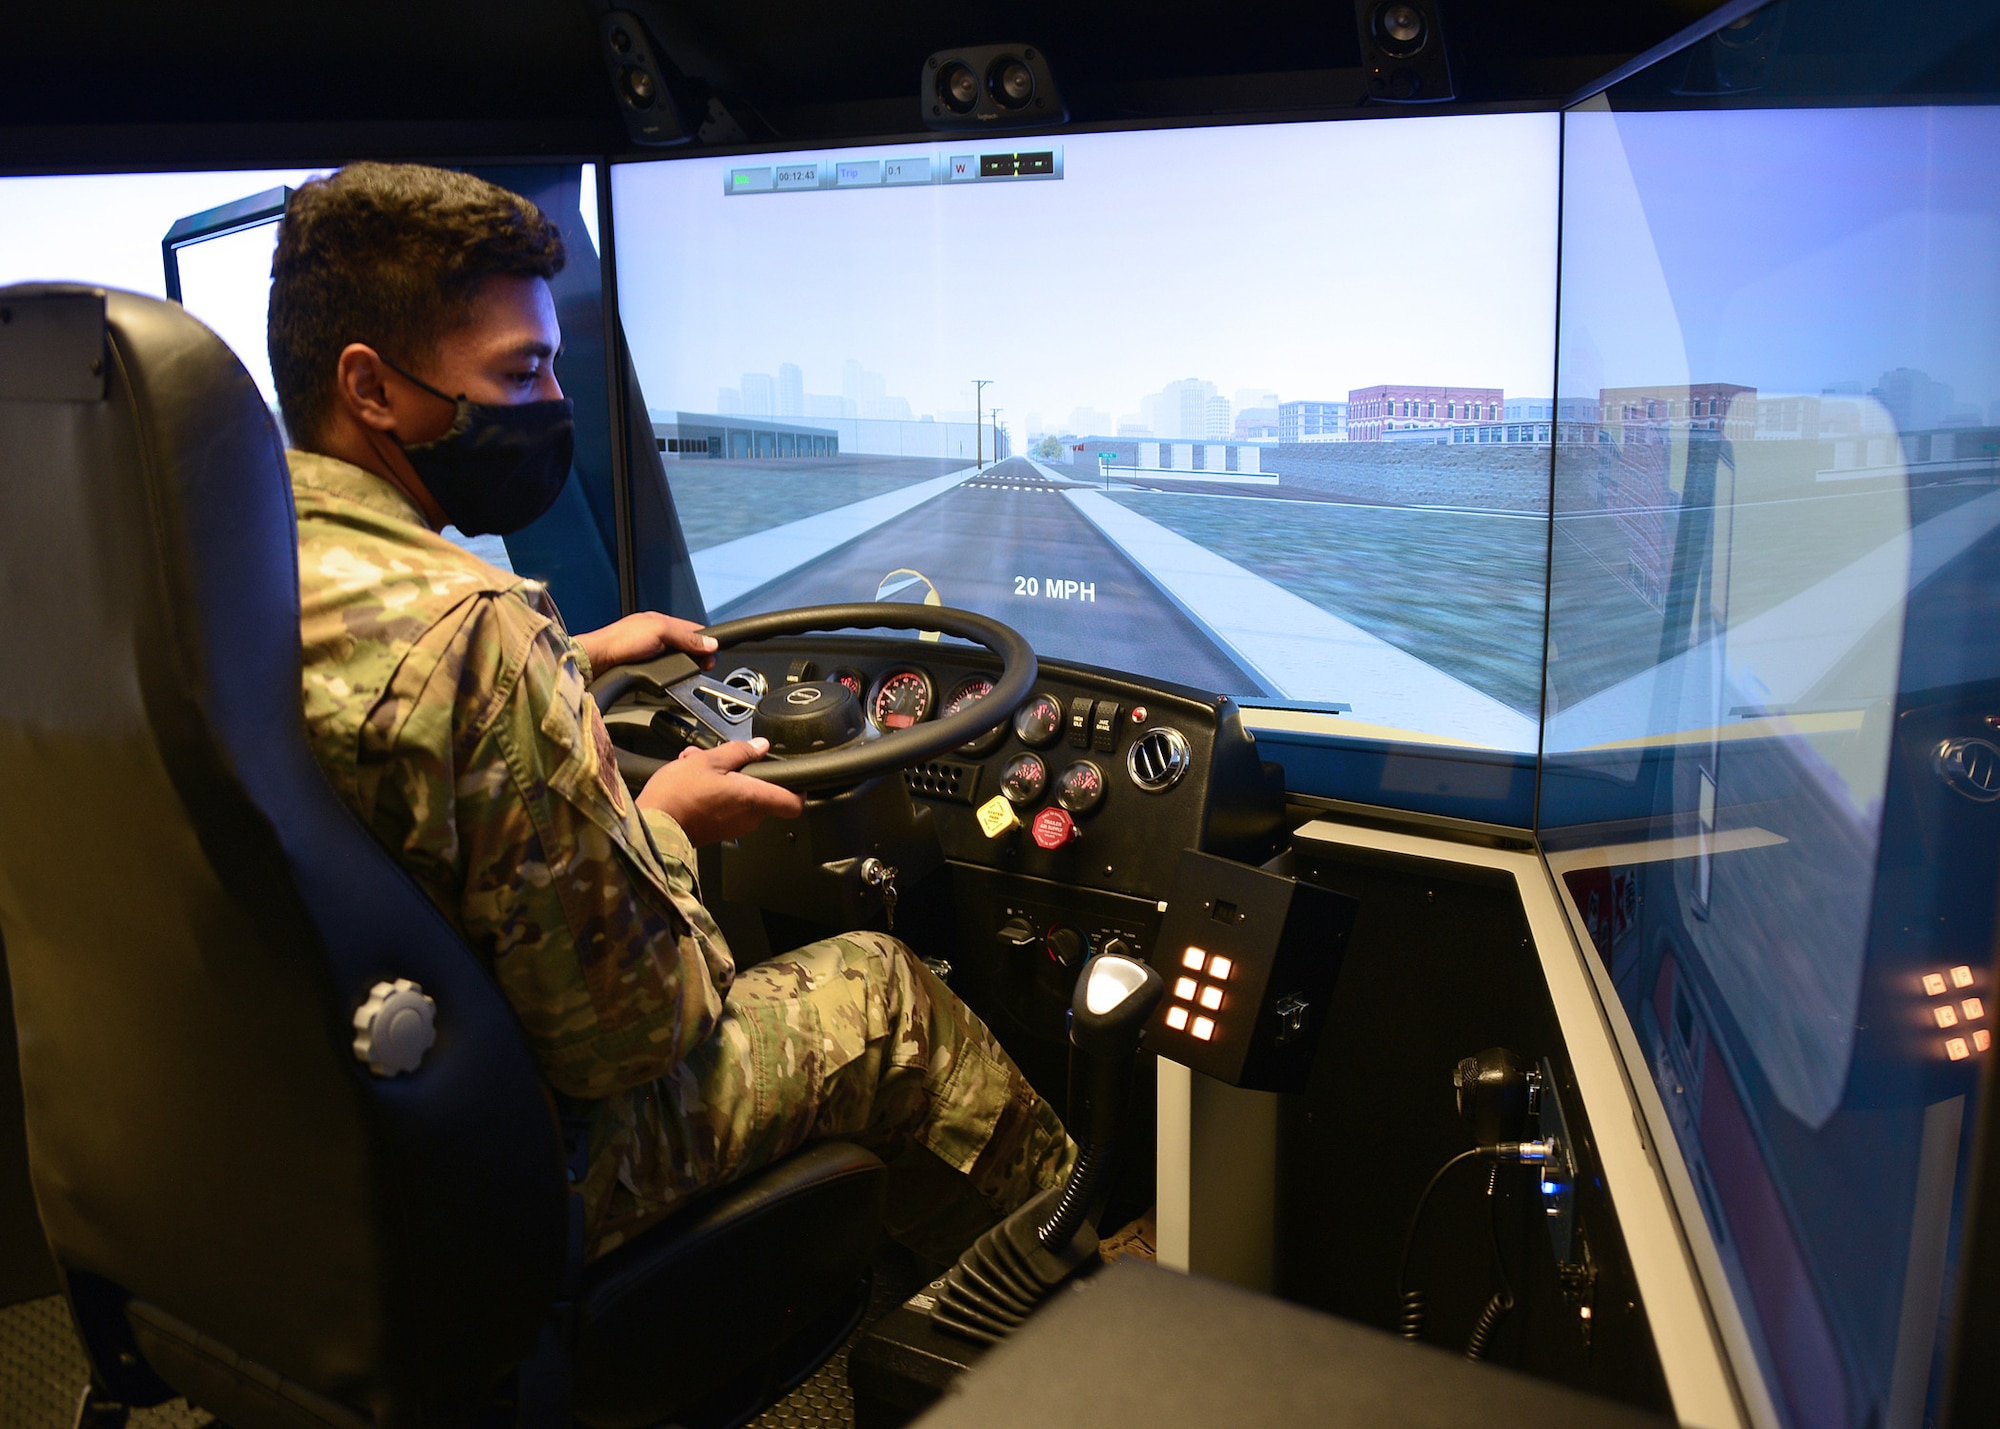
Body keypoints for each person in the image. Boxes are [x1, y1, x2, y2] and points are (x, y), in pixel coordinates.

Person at [270, 161, 1072, 1263]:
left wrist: (567, 655)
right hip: (508, 1176)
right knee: (885, 996)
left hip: (301, 1152)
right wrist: (668, 824)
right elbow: (629, 1039)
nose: (553, 401)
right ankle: (1082, 1301)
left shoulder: (226, 566)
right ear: (370, 388)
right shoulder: (475, 637)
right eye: (522, 370)